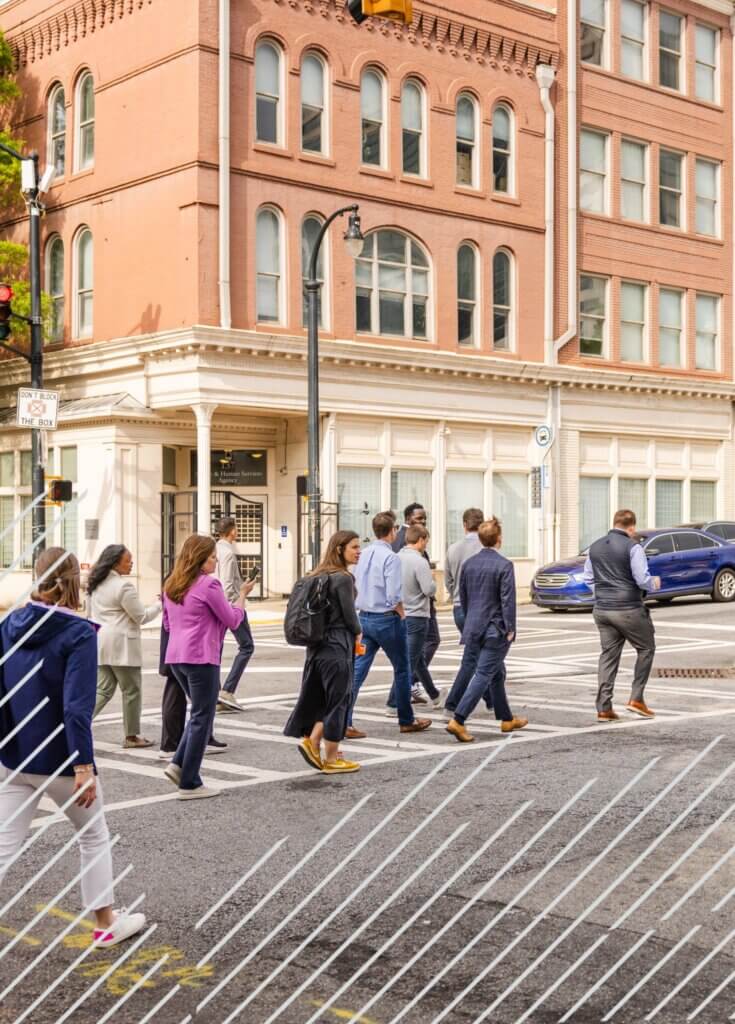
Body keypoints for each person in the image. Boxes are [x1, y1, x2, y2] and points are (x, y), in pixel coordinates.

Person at [0, 547, 146, 947]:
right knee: (93, 836)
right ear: (71, 582)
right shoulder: (78, 633)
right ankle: (105, 924)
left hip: (15, 755)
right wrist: (84, 766)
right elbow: (76, 708)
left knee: (3, 844)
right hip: (60, 760)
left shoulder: (9, 624)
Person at [162, 534, 249, 799]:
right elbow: (232, 619)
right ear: (200, 559)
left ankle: (178, 764)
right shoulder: (209, 585)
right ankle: (190, 782)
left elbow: (167, 624)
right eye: (211, 556)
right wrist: (243, 596)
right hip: (201, 657)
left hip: (176, 656)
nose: (214, 561)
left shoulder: (172, 584)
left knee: (199, 713)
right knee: (203, 715)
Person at [284, 531, 363, 774]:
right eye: (354, 547)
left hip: (316, 646)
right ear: (339, 549)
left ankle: (314, 741)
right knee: (339, 699)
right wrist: (359, 633)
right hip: (337, 644)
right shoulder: (343, 578)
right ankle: (330, 758)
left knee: (322, 698)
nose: (358, 551)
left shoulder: (316, 575)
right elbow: (350, 616)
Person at [348, 512, 431, 738]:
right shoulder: (391, 557)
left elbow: (354, 584)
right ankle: (406, 718)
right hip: (386, 618)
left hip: (364, 616)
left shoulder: (362, 554)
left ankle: (345, 720)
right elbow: (394, 593)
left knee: (357, 670)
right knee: (402, 668)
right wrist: (401, 612)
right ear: (393, 531)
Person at [445, 518, 528, 743]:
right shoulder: (504, 565)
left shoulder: (469, 564)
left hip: (473, 625)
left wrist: (472, 618)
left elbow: (463, 595)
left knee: (496, 673)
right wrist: (510, 628)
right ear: (499, 539)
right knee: (483, 673)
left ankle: (506, 718)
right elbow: (507, 600)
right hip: (495, 628)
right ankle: (459, 719)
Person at [582, 509, 661, 722]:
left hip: (602, 609)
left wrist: (601, 593)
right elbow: (641, 578)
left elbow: (588, 578)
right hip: (628, 608)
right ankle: (636, 699)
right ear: (632, 527)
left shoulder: (595, 547)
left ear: (614, 522)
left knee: (608, 656)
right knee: (646, 648)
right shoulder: (633, 547)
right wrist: (653, 583)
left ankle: (604, 708)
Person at [88, 545, 161, 748]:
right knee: (132, 690)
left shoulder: (95, 584)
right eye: (128, 560)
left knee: (102, 690)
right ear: (115, 562)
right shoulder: (123, 586)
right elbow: (141, 617)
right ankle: (132, 736)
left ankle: (76, 724)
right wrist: (159, 604)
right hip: (123, 646)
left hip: (101, 642)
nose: (131, 563)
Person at [157, 621, 228, 760]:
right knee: (202, 698)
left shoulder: (169, 598)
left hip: (177, 642)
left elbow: (167, 622)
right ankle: (193, 741)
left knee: (176, 689)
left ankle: (172, 743)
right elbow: (229, 618)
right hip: (192, 644)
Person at [397, 525, 444, 709]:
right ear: (421, 540)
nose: (426, 546)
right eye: (426, 541)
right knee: (410, 660)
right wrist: (432, 580)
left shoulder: (397, 558)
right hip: (418, 614)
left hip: (401, 613)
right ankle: (393, 702)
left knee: (417, 659)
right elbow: (428, 589)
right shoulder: (419, 562)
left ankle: (434, 694)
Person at [213, 517, 256, 713]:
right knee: (247, 646)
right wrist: (241, 597)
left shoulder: (214, 549)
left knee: (216, 650)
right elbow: (226, 585)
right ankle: (227, 690)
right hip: (230, 606)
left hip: (215, 606)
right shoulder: (228, 553)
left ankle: (215, 694)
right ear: (232, 531)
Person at [445, 507, 484, 634]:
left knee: (470, 648)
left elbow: (448, 580)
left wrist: (455, 593)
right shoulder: (487, 547)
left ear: (464, 525)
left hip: (459, 606)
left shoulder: (453, 549)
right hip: (482, 605)